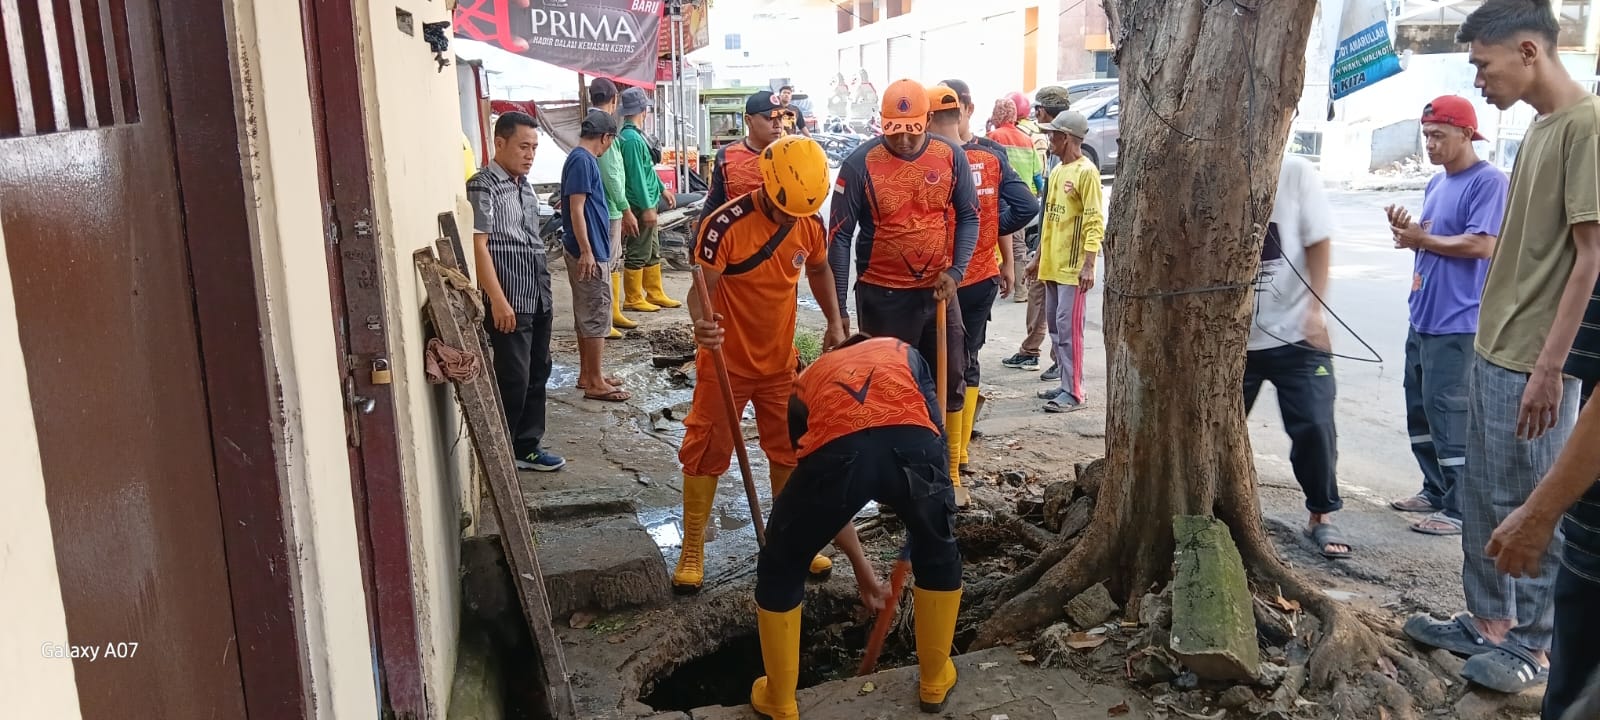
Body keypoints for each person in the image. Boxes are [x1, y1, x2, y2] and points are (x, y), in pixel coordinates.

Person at [1407, 0, 1600, 701]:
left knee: (1531, 499)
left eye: (1482, 64)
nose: (1478, 79)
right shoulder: (1542, 128)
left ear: (1528, 50)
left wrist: (1552, 365)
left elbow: (1591, 258)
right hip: (1494, 344)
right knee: (1485, 496)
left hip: (1534, 359)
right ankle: (1488, 621)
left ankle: (1535, 644)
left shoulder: (1588, 126)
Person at [748, 335, 963, 720]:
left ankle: (780, 699)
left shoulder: (805, 383)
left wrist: (862, 567)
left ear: (835, 353)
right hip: (915, 447)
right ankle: (933, 678)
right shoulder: (902, 352)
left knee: (782, 564)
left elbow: (827, 501)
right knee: (939, 551)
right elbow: (937, 431)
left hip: (840, 458)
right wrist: (927, 519)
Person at [673, 136, 848, 593]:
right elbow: (700, 292)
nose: (791, 219)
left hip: (779, 364)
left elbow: (819, 269)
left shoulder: (809, 225)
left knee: (789, 449)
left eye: (799, 212)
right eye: (784, 209)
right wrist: (701, 326)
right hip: (725, 362)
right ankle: (693, 548)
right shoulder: (722, 226)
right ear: (767, 185)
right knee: (706, 450)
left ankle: (788, 539)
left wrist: (835, 319)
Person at [828, 78, 980, 501]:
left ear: (927, 120)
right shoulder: (860, 164)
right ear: (883, 124)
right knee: (888, 387)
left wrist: (957, 270)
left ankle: (948, 471)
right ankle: (891, 480)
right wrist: (838, 309)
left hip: (938, 293)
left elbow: (969, 216)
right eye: (896, 132)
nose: (906, 141)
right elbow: (839, 236)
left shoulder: (950, 157)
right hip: (883, 296)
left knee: (950, 375)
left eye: (914, 131)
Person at [1384, 96, 1507, 536]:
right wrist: (1410, 235)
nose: (1430, 145)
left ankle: (1459, 508)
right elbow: (1433, 240)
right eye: (1426, 136)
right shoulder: (1437, 184)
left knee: (1451, 414)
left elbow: (1481, 245)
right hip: (1425, 317)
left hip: (1459, 322)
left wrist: (1423, 241)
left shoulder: (1488, 182)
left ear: (1466, 134)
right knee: (1421, 410)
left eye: (1438, 135)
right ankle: (1434, 489)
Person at [929, 81, 1039, 479]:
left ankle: (944, 457)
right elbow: (1026, 205)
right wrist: (995, 238)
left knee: (939, 362)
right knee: (968, 360)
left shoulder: (930, 157)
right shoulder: (991, 154)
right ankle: (958, 457)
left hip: (943, 276)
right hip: (980, 274)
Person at [1243, 154, 1346, 558]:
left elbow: (1318, 239)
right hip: (1233, 341)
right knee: (1215, 430)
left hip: (1296, 334)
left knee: (1315, 426)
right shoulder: (1215, 165)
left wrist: (1314, 310)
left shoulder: (1295, 172)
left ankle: (1321, 514)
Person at [468, 112, 565, 472]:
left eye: (535, 148)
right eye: (523, 146)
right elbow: (480, 245)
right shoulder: (483, 185)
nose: (530, 154)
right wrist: (496, 299)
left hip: (537, 292)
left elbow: (529, 239)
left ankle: (527, 446)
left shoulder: (523, 185)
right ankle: (501, 451)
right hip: (510, 297)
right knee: (513, 376)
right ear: (499, 143)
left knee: (539, 371)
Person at [1028, 110, 1102, 414]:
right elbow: (1047, 220)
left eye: (1053, 135)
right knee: (1058, 330)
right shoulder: (1057, 171)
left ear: (1067, 138)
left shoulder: (1087, 173)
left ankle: (1075, 391)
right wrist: (1038, 259)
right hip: (1053, 266)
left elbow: (1094, 220)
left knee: (1070, 331)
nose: (1049, 140)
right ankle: (1065, 382)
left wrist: (1089, 264)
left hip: (1072, 269)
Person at [561, 110, 631, 403]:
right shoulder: (582, 160)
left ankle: (589, 373)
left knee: (588, 313)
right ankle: (594, 380)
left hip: (590, 248)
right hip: (589, 251)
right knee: (597, 314)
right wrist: (588, 250)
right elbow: (576, 208)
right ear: (606, 138)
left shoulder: (582, 159)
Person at [1003, 85, 1072, 363]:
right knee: (1041, 296)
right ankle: (1035, 351)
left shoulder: (1067, 154)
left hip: (1060, 245)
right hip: (1048, 240)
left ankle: (1058, 361)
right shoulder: (1051, 147)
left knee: (1057, 308)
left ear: (1042, 112)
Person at [616, 86, 682, 313]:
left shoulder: (633, 135)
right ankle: (633, 297)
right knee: (639, 249)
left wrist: (662, 189)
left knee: (652, 249)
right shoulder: (632, 140)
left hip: (649, 198)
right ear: (643, 110)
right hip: (639, 201)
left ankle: (654, 292)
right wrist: (646, 207)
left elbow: (647, 170)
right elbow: (636, 178)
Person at [589, 78, 638, 339]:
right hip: (608, 206)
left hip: (606, 205)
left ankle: (611, 314)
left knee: (610, 263)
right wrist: (625, 207)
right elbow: (611, 174)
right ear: (614, 100)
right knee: (607, 263)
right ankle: (606, 318)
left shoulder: (594, 122)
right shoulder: (604, 125)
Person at [699, 90, 789, 229]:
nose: (778, 125)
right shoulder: (726, 155)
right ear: (748, 120)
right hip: (737, 242)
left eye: (781, 118)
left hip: (783, 244)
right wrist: (697, 240)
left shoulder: (791, 154)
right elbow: (713, 202)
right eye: (770, 118)